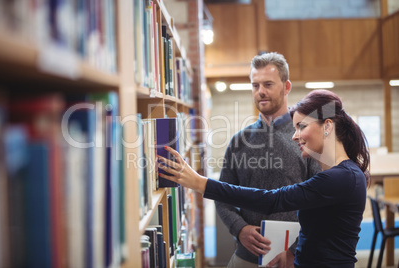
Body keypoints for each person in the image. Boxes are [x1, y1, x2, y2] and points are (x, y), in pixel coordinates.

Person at [158, 89, 370, 268]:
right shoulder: (340, 175)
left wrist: (200, 183)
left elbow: (273, 200)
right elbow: (318, 230)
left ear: (327, 127)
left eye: (301, 127)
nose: (295, 135)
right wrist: (292, 254)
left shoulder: (341, 178)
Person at [216, 52, 321, 267]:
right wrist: (240, 229)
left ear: (286, 86)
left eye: (268, 84)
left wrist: (294, 250)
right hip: (246, 258)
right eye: (255, 85)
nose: (260, 92)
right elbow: (222, 197)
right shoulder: (239, 141)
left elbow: (320, 201)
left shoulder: (308, 137)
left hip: (296, 259)